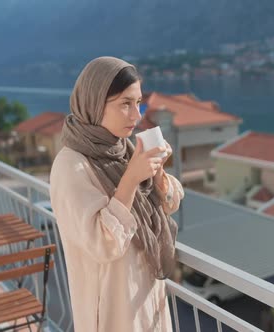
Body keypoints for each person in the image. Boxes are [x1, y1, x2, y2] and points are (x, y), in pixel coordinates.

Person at [50, 56, 184, 332]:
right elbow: (102, 242)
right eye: (125, 104)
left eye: (138, 103)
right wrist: (132, 178)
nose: (136, 115)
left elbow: (169, 204)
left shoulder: (124, 150)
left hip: (147, 302)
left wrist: (157, 173)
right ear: (94, 102)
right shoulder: (70, 166)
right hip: (111, 312)